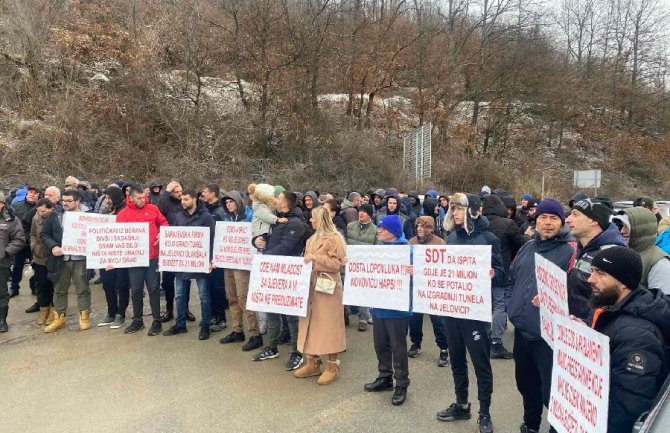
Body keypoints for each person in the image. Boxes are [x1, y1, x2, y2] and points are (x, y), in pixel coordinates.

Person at [506, 199, 578, 433]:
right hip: (523, 331)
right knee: (526, 385)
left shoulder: (570, 250)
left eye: (553, 218)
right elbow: (512, 279)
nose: (547, 223)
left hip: (550, 338)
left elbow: (578, 294)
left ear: (562, 222)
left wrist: (554, 301)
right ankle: (530, 425)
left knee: (552, 392)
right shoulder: (527, 247)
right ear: (536, 221)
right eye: (543, 218)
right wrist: (511, 306)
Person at [437, 193, 504, 433]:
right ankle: (462, 404)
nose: (453, 213)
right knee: (456, 359)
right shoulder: (452, 237)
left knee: (481, 364)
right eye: (452, 209)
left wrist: (493, 274)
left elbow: (502, 273)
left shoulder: (489, 238)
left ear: (472, 211)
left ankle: (484, 413)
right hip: (452, 310)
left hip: (475, 313)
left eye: (458, 209)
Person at [586, 247, 670, 433]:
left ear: (623, 282)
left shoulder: (637, 336)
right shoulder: (614, 306)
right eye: (592, 271)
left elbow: (629, 406)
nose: (590, 279)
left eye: (600, 273)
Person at [251, 191, 306, 371]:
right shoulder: (276, 219)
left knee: (291, 315)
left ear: (286, 203)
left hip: (289, 275)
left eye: (279, 198)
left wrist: (265, 257)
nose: (276, 200)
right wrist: (257, 241)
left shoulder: (296, 223)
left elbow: (286, 247)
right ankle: (272, 347)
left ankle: (297, 352)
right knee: (272, 310)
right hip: (273, 273)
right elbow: (271, 239)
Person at [294, 207, 347, 385]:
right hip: (311, 287)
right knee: (311, 323)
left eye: (312, 218)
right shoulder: (311, 239)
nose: (310, 221)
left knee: (329, 325)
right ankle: (312, 361)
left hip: (328, 287)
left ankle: (332, 365)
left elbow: (337, 264)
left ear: (320, 219)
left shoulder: (335, 238)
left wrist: (316, 259)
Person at [363, 214, 411, 406]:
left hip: (398, 309)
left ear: (392, 232)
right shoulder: (378, 250)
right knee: (380, 344)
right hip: (379, 307)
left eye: (382, 228)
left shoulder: (407, 250)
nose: (378, 231)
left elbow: (421, 274)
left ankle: (401, 383)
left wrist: (413, 271)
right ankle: (385, 376)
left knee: (398, 347)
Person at [163, 189, 216, 341]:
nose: (183, 202)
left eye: (186, 199)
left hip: (200, 262)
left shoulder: (205, 217)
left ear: (194, 199)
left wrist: (210, 259)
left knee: (204, 296)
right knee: (179, 295)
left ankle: (205, 325)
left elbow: (212, 239)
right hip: (182, 263)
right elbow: (174, 237)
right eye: (181, 199)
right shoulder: (179, 216)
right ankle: (180, 324)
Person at [116, 185, 169, 336]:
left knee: (153, 289)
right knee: (137, 289)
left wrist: (162, 233)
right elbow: (117, 235)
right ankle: (137, 320)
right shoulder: (123, 214)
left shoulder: (153, 208)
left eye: (143, 197)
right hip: (135, 259)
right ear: (131, 198)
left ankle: (156, 320)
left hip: (152, 256)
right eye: (139, 198)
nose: (142, 200)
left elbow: (164, 222)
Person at [482, 194, 526, 359]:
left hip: (481, 272)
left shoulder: (479, 224)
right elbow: (521, 245)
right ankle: (495, 343)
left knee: (485, 306)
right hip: (502, 271)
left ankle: (483, 338)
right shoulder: (508, 224)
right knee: (500, 306)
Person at [566, 198, 626, 320]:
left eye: (575, 215)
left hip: (593, 332)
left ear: (594, 220)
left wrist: (587, 325)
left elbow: (614, 306)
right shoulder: (583, 248)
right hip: (575, 330)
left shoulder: (611, 254)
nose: (567, 219)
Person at [40, 190, 91, 333]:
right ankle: (59, 318)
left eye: (69, 201)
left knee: (83, 289)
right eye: (63, 200)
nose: (65, 203)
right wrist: (53, 246)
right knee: (59, 290)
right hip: (60, 260)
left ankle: (84, 317)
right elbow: (44, 234)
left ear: (77, 201)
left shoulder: (89, 216)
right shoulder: (55, 215)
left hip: (81, 259)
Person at [218, 190, 262, 351]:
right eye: (226, 203)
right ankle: (237, 330)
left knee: (244, 297)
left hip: (243, 264)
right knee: (232, 296)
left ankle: (255, 333)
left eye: (231, 202)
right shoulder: (226, 218)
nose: (229, 205)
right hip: (229, 260)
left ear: (238, 202)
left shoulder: (250, 216)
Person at [407, 216, 450, 367]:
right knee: (414, 319)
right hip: (415, 288)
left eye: (423, 226)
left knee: (438, 321)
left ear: (430, 228)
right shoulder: (411, 242)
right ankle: (415, 343)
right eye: (418, 225)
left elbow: (445, 267)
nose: (419, 228)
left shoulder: (440, 243)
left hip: (433, 289)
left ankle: (444, 348)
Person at [612, 207, 670, 293]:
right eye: (622, 226)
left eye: (627, 226)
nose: (622, 231)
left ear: (641, 230)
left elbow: (663, 303)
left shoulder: (659, 263)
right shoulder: (622, 253)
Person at [97, 187, 130, 329]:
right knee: (107, 284)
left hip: (121, 255)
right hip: (107, 254)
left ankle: (120, 314)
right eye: (105, 198)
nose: (107, 201)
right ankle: (111, 312)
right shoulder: (105, 211)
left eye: (109, 198)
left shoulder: (125, 211)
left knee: (122, 285)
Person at [344, 203, 376, 331]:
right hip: (349, 264)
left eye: (365, 212)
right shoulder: (350, 226)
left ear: (370, 215)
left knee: (363, 292)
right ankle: (344, 313)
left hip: (364, 266)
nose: (361, 214)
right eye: (360, 212)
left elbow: (376, 249)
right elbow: (344, 243)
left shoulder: (375, 230)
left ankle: (363, 318)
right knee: (346, 289)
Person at [200, 184, 228, 332]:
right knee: (209, 286)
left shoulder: (221, 211)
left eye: (205, 191)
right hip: (205, 252)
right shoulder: (204, 209)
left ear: (212, 194)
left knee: (218, 286)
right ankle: (212, 314)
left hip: (217, 253)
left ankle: (221, 318)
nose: (203, 194)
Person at [157, 180, 185, 323]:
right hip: (169, 248)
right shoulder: (165, 203)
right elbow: (159, 209)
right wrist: (167, 191)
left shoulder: (185, 203)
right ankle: (169, 310)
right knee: (168, 281)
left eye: (180, 191)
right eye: (176, 192)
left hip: (184, 248)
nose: (179, 194)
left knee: (185, 280)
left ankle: (185, 309)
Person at [0, 191, 26, 332]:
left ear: (2, 204)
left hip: (2, 263)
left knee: (1, 293)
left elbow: (19, 240)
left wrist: (6, 252)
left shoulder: (12, 220)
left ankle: (2, 320)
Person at [10, 185, 39, 299]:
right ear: (27, 194)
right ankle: (14, 288)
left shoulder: (39, 207)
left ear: (38, 196)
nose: (32, 194)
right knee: (17, 266)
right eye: (30, 192)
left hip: (33, 242)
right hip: (19, 241)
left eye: (35, 193)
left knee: (34, 265)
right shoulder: (16, 205)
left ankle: (34, 287)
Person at [30, 198, 56, 326]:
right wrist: (34, 247)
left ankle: (53, 310)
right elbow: (33, 234)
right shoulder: (36, 218)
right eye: (39, 211)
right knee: (42, 284)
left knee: (54, 285)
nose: (41, 213)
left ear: (51, 208)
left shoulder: (58, 218)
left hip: (54, 257)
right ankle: (43, 309)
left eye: (44, 211)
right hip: (40, 256)